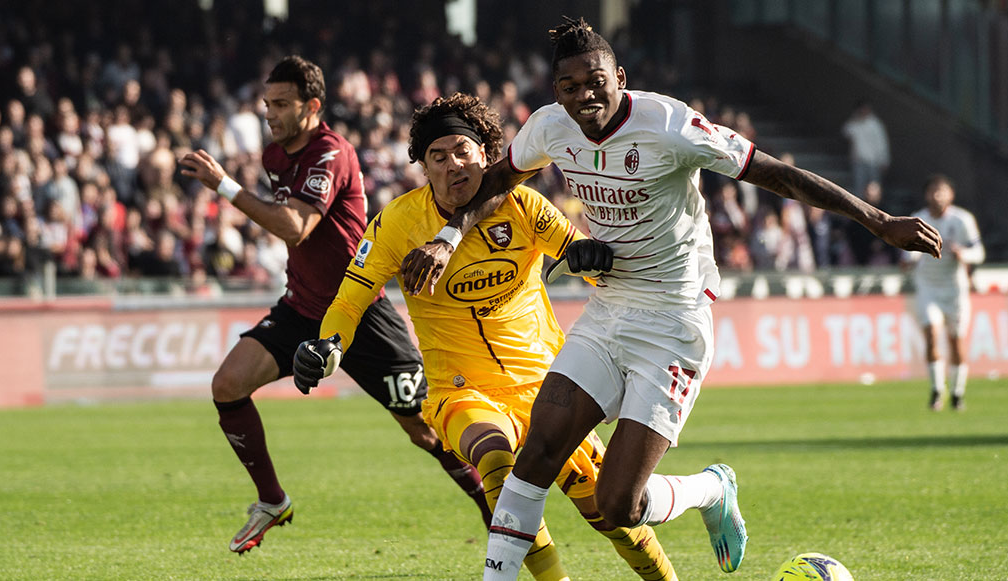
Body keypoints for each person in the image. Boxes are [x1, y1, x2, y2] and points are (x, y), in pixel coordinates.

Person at [398, 18, 942, 578]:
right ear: (555, 91)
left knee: (618, 506)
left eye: (596, 81)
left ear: (620, 77)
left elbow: (777, 175)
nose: (585, 96)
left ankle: (711, 489)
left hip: (674, 320)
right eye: (570, 87)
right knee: (534, 458)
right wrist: (447, 237)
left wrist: (877, 221)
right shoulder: (548, 128)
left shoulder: (671, 124)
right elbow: (495, 181)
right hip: (608, 312)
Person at [293, 92, 678, 581]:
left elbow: (585, 254)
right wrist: (328, 345)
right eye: (439, 156)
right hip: (461, 389)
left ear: (486, 156)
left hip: (548, 385)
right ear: (423, 167)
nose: (454, 164)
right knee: (495, 462)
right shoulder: (397, 224)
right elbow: (349, 299)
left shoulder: (523, 205)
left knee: (608, 513)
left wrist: (589, 259)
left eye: (463, 151)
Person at [177, 55, 489, 555]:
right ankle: (272, 501)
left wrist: (223, 186)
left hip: (359, 310)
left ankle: (496, 511)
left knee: (425, 431)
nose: (270, 114)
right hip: (302, 307)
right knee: (227, 385)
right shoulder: (275, 156)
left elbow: (295, 226)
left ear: (312, 106)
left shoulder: (332, 152)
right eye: (266, 104)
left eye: (281, 104)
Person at [901, 174, 984, 411]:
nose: (937, 195)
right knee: (931, 335)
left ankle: (957, 393)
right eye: (933, 191)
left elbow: (979, 252)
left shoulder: (962, 220)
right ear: (926, 195)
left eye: (942, 191)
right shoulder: (919, 220)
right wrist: (909, 260)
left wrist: (963, 254)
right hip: (928, 287)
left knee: (956, 341)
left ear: (951, 195)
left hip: (955, 289)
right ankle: (937, 390)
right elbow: (909, 252)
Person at [841, 100, 890, 203]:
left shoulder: (875, 124)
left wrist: (884, 159)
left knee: (874, 189)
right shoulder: (855, 123)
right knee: (859, 188)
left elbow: (882, 143)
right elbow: (846, 132)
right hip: (858, 160)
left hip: (873, 161)